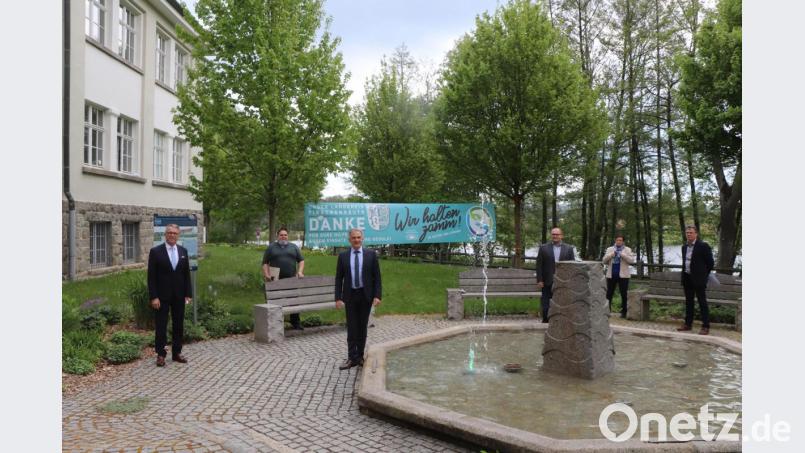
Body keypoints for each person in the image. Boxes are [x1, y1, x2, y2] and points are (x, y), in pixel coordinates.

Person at [334, 228, 382, 370]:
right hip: (350, 295)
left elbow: (377, 277)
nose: (356, 240)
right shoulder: (343, 256)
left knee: (362, 327)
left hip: (365, 295)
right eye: (353, 238)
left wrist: (377, 295)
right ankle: (351, 358)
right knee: (352, 327)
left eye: (358, 237)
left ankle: (360, 356)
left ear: (362, 239)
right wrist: (338, 297)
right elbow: (339, 278)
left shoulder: (371, 255)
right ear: (349, 239)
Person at [148, 224, 192, 367]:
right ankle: (160, 354)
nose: (172, 235)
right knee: (161, 325)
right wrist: (154, 296)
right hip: (161, 296)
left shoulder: (183, 251)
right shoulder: (156, 252)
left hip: (179, 296)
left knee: (178, 324)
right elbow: (151, 277)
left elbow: (186, 275)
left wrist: (188, 294)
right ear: (165, 235)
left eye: (175, 233)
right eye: (169, 233)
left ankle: (177, 353)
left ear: (178, 235)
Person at [262, 227, 305, 330]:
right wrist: (266, 274)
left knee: (294, 300)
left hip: (291, 278)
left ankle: (295, 322)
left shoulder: (294, 247)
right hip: (276, 279)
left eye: (285, 235)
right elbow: (264, 263)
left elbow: (301, 261)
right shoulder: (271, 247)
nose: (283, 236)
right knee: (276, 301)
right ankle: (275, 323)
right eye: (281, 235)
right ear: (278, 236)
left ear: (287, 236)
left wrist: (300, 271)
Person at [677, 225, 715, 335]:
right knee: (689, 302)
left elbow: (710, 263)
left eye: (691, 232)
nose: (688, 234)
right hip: (687, 278)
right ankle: (688, 324)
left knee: (702, 302)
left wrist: (703, 275)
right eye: (687, 232)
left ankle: (705, 326)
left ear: (696, 234)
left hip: (699, 279)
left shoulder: (703, 246)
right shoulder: (684, 247)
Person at [535, 227, 576, 323]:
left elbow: (572, 265)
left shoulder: (569, 249)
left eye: (557, 234)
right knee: (546, 304)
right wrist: (539, 280)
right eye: (553, 234)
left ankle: (561, 322)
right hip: (547, 280)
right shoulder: (543, 248)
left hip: (563, 281)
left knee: (562, 302)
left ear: (561, 236)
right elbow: (539, 265)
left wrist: (571, 280)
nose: (555, 236)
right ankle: (546, 320)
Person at [602, 234, 635, 318]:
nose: (618, 242)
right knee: (609, 294)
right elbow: (604, 261)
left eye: (620, 240)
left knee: (624, 294)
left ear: (623, 241)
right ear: (615, 241)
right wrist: (611, 255)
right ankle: (607, 311)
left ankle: (624, 312)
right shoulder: (610, 249)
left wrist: (622, 255)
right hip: (611, 275)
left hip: (623, 276)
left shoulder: (627, 249)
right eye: (617, 240)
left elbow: (631, 261)